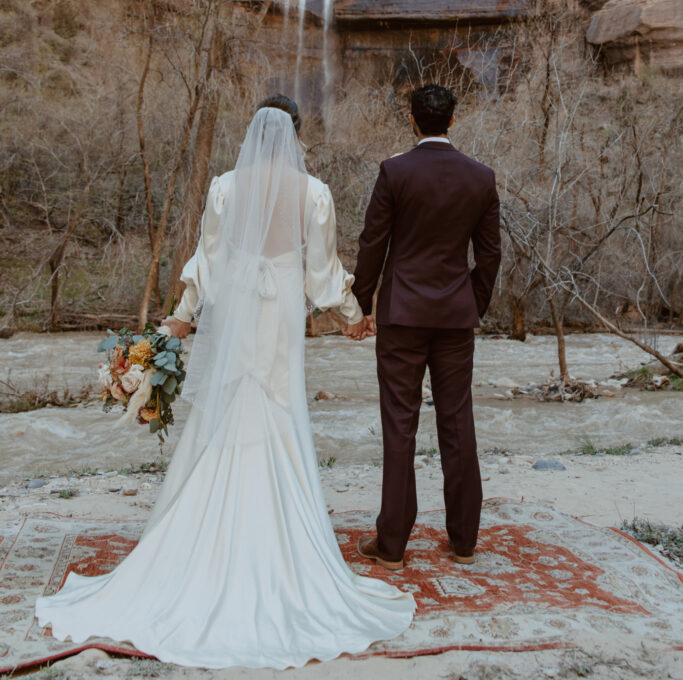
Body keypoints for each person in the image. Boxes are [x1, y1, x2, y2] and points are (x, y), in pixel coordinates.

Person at [36, 96, 415, 670]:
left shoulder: (224, 186)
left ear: (253, 134)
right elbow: (321, 272)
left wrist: (184, 313)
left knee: (233, 401)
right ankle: (282, 545)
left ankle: (200, 542)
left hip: (238, 302)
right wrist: (351, 314)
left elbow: (207, 260)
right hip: (282, 308)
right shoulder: (311, 191)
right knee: (279, 404)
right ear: (295, 135)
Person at [350, 83, 501, 571]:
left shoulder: (395, 171)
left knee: (400, 425)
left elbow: (373, 241)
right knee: (457, 422)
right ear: (452, 121)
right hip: (455, 315)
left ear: (412, 121)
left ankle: (391, 545)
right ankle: (463, 541)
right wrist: (470, 303)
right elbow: (490, 253)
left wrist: (362, 301)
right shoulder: (481, 177)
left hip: (401, 314)